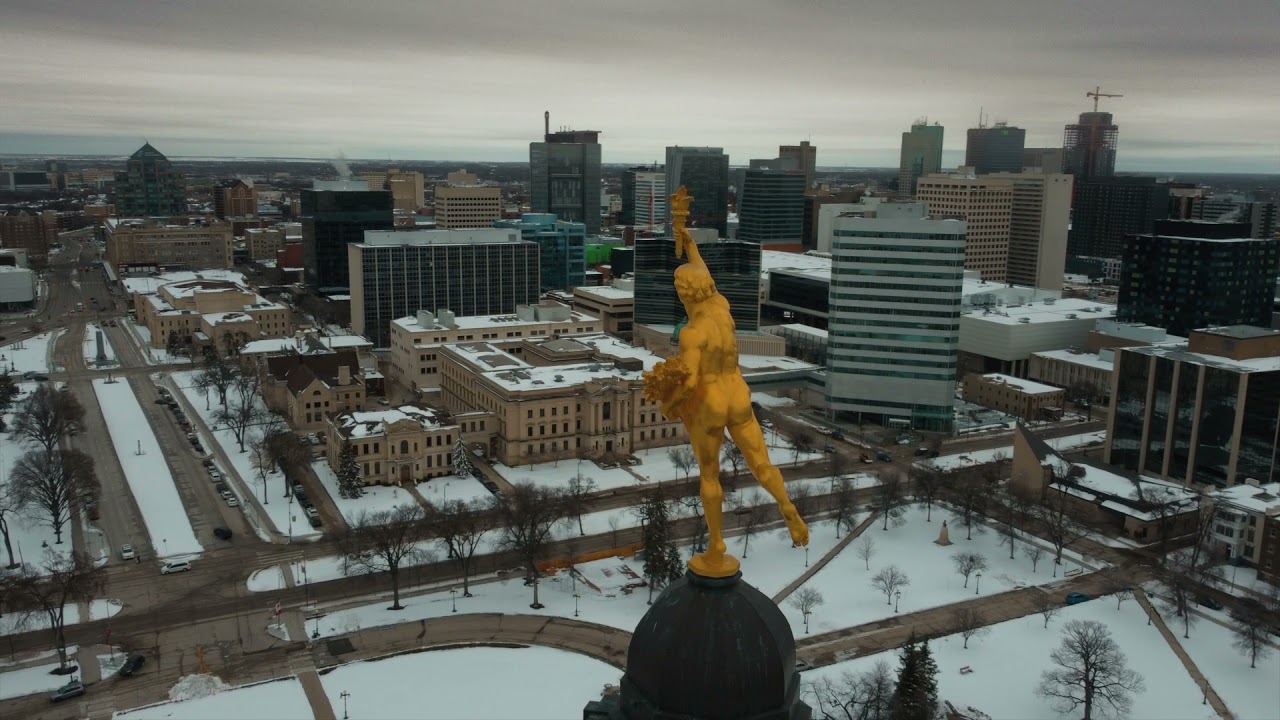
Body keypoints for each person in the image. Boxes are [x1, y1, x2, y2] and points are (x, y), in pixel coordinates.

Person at [645, 187, 808, 579]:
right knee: (760, 461)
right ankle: (787, 506)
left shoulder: (693, 333)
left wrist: (669, 404)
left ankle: (717, 543)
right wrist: (688, 243)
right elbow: (704, 274)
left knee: (710, 475)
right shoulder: (722, 308)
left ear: (684, 293)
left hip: (710, 403)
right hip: (738, 393)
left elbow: (689, 381)